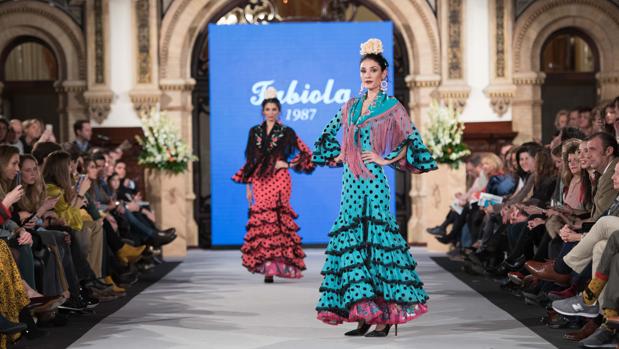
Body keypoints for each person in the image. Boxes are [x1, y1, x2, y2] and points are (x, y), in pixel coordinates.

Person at [312, 38, 437, 337]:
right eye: (363, 70)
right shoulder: (350, 106)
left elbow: (412, 141)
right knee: (355, 246)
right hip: (350, 185)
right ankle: (363, 314)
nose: (367, 75)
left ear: (384, 74)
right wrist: (339, 153)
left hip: (374, 183)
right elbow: (326, 136)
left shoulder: (392, 107)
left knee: (378, 248)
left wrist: (386, 158)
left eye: (373, 70)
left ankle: (384, 318)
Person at [232, 87, 315, 283]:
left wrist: (286, 163)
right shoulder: (255, 132)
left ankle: (275, 266)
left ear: (279, 112)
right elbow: (251, 160)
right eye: (267, 109)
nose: (270, 112)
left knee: (277, 221)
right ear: (263, 111)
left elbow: (306, 153)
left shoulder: (286, 132)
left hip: (279, 179)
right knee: (263, 221)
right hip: (260, 179)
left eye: (274, 109)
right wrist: (248, 186)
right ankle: (267, 266)